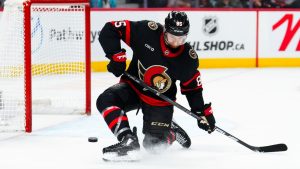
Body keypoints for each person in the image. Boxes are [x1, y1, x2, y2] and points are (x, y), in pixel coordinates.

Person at [97, 11, 216, 161]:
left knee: (153, 147)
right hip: (133, 88)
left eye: (181, 38)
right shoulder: (147, 31)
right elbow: (111, 29)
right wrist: (116, 57)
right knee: (105, 100)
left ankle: (170, 131)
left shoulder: (188, 58)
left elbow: (193, 88)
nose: (176, 43)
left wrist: (200, 111)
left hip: (159, 101)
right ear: (165, 30)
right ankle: (127, 139)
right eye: (172, 37)